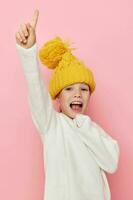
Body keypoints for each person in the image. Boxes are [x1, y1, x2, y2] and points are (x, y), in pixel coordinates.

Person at [15, 9, 120, 200]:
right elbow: (35, 89)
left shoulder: (92, 129)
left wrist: (84, 125)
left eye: (84, 89)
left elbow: (111, 162)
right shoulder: (51, 125)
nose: (77, 94)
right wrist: (28, 52)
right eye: (69, 89)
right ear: (57, 96)